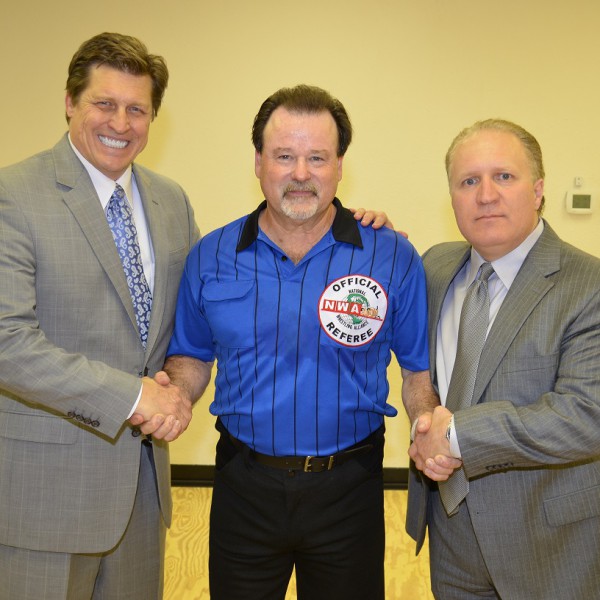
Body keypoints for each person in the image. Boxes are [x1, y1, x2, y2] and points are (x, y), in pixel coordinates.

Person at [162, 84, 438, 600]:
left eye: (317, 157)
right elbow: (192, 356)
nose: (301, 173)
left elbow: (416, 370)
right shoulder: (211, 255)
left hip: (349, 488)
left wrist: (428, 421)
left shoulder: (391, 257)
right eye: (284, 156)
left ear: (340, 165)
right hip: (243, 485)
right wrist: (175, 396)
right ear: (258, 162)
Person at [0, 32, 199, 599]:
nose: (120, 122)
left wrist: (339, 227)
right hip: (44, 498)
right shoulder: (13, 195)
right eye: (104, 103)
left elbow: (208, 307)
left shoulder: (171, 201)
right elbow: (7, 341)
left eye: (137, 109)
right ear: (69, 102)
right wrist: (136, 398)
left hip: (142, 492)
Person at [407, 119, 600, 599]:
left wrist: (456, 435)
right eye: (468, 181)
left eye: (504, 176)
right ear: (452, 197)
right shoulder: (433, 267)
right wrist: (362, 230)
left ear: (537, 190)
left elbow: (586, 414)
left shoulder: (588, 285)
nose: (485, 195)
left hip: (549, 542)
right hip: (449, 532)